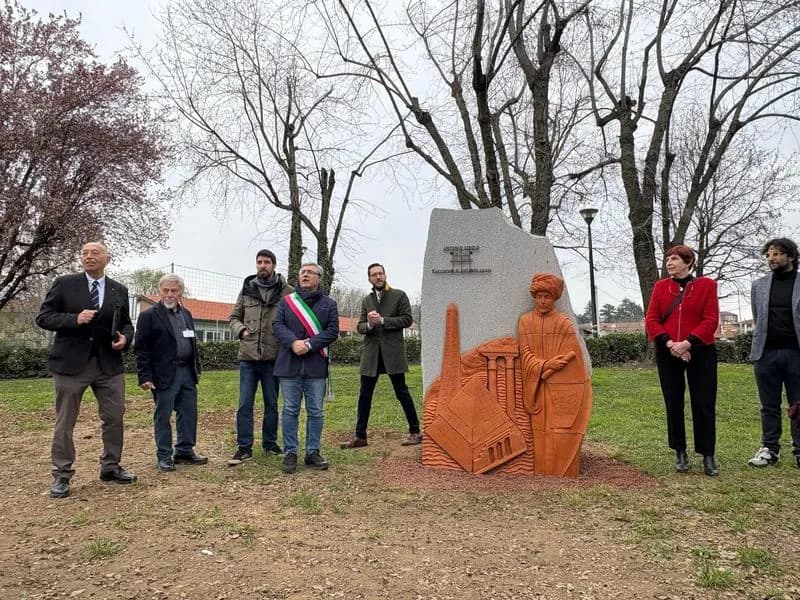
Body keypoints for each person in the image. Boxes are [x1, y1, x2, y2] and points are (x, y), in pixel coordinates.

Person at [35, 241, 137, 498]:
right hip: (71, 366)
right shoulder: (65, 284)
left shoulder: (118, 290)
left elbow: (126, 324)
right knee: (65, 421)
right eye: (84, 253)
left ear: (107, 258)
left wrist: (125, 338)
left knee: (114, 417)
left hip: (108, 366)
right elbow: (44, 317)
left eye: (95, 253)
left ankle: (110, 467)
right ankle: (62, 474)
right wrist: (74, 319)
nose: (89, 257)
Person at [645, 245, 720, 476]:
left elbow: (710, 319)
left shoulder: (706, 286)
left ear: (688, 262)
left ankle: (707, 454)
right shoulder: (660, 287)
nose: (669, 263)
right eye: (668, 259)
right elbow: (652, 320)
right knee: (673, 402)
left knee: (704, 402)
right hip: (669, 352)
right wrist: (671, 344)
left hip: (700, 350)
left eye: (675, 259)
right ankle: (679, 451)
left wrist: (688, 343)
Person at [517, 273, 592, 477]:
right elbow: (526, 355)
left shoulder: (563, 323)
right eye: (539, 296)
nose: (542, 301)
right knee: (540, 431)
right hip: (537, 387)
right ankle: (542, 470)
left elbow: (573, 356)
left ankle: (561, 469)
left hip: (559, 388)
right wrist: (546, 365)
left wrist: (553, 369)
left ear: (554, 297)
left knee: (559, 430)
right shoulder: (525, 322)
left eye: (547, 296)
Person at [341, 263, 422, 449]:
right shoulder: (366, 300)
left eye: (380, 273)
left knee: (402, 392)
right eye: (374, 275)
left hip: (392, 354)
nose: (378, 277)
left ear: (385, 275)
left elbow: (407, 319)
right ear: (369, 279)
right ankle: (360, 436)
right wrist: (369, 324)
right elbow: (360, 326)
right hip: (371, 355)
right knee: (364, 395)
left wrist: (383, 321)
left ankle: (415, 431)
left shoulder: (399, 295)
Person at [135, 274, 207, 472]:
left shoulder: (187, 315)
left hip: (187, 372)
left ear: (180, 292)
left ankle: (185, 450)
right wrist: (145, 376)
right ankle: (164, 455)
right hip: (163, 374)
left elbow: (193, 344)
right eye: (165, 290)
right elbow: (141, 349)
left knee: (188, 413)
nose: (169, 295)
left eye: (173, 291)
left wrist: (196, 368)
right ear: (160, 291)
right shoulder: (148, 316)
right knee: (163, 415)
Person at [228, 249, 293, 466]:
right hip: (248, 356)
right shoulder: (247, 289)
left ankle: (270, 443)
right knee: (244, 403)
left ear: (273, 265)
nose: (262, 265)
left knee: (272, 404)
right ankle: (244, 447)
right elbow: (234, 317)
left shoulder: (287, 291)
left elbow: (293, 320)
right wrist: (241, 331)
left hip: (274, 357)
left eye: (266, 262)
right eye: (259, 262)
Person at [272, 263, 339, 474]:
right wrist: (293, 343)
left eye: (310, 272)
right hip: (289, 363)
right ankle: (290, 452)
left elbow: (332, 331)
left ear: (319, 277)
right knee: (290, 410)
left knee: (316, 411)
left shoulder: (329, 304)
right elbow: (277, 325)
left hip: (315, 365)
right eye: (302, 272)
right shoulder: (286, 302)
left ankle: (313, 452)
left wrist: (309, 344)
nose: (305, 275)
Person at [747, 238, 800, 469]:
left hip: (796, 354)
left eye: (777, 254)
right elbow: (758, 318)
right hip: (766, 354)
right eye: (769, 254)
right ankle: (770, 449)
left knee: (798, 404)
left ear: (791, 256)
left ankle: (799, 449)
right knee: (768, 405)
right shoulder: (759, 285)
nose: (772, 258)